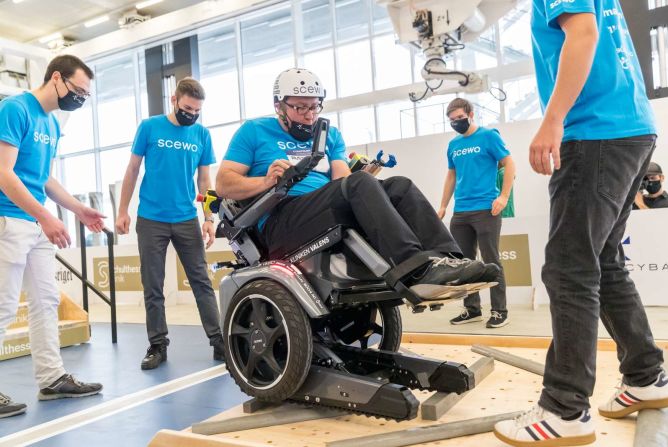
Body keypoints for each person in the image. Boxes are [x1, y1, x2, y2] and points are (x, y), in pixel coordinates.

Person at [494, 1, 668, 445]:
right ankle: (645, 377)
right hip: (632, 128)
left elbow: (584, 35)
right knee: (604, 262)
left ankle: (564, 409)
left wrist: (552, 121)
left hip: (595, 132)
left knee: (569, 267)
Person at [216, 68, 499, 295]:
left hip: (322, 209)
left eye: (314, 107)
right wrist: (266, 181)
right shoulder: (254, 131)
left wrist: (364, 184)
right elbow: (224, 184)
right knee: (359, 184)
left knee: (399, 185)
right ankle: (416, 270)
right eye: (300, 108)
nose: (309, 115)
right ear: (279, 105)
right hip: (281, 217)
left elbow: (341, 178)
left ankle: (449, 262)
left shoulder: (328, 134)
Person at [0, 55, 105, 418]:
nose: (79, 98)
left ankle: (52, 378)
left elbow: (43, 176)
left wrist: (77, 209)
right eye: (77, 90)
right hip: (9, 221)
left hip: (34, 223)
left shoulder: (52, 123)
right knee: (3, 306)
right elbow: (4, 172)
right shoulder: (15, 109)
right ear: (56, 78)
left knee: (45, 302)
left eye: (85, 95)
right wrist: (45, 216)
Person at [115, 77, 224, 371]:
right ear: (174, 100)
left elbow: (205, 180)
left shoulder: (201, 134)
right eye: (188, 108)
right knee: (153, 285)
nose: (192, 114)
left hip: (187, 218)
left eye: (197, 110)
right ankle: (157, 345)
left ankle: (218, 342)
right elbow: (133, 169)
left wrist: (210, 217)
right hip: (151, 219)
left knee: (201, 282)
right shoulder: (149, 127)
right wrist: (122, 210)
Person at [438, 98, 516, 328]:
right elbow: (451, 176)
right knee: (464, 264)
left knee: (491, 262)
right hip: (461, 211)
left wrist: (503, 196)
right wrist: (443, 205)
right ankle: (472, 309)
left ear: (471, 114)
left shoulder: (489, 136)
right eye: (452, 121)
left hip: (486, 209)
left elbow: (509, 164)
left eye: (460, 118)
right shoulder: (453, 145)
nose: (456, 123)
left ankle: (500, 311)